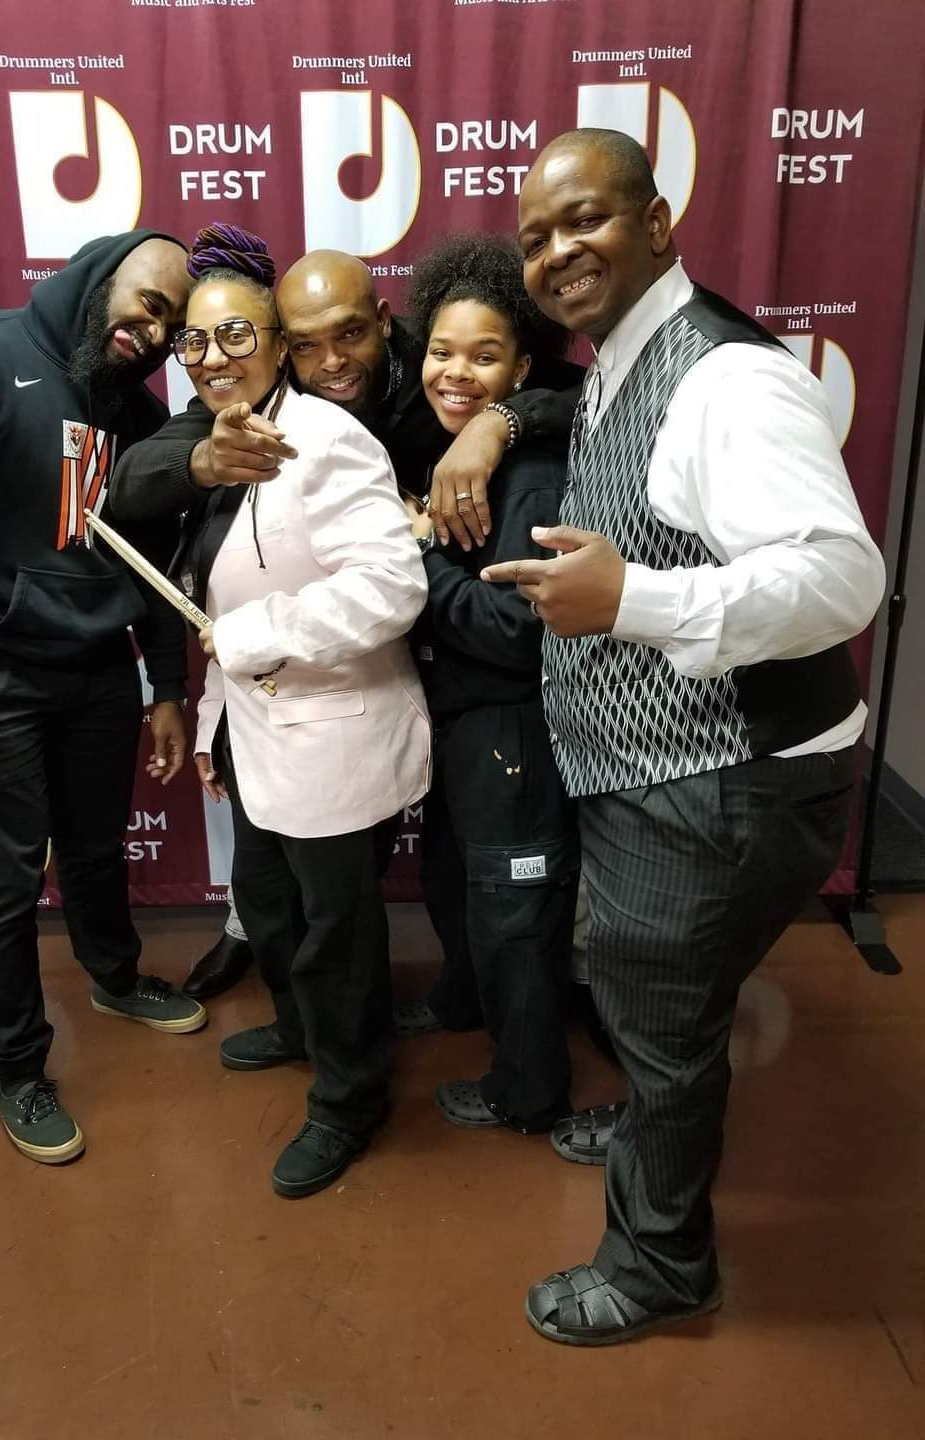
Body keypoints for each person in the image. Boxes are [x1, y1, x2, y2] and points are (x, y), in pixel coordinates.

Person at [482, 128, 885, 1344]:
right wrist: (491, 422)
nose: (558, 252)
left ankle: (662, 1269)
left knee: (660, 1016)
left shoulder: (726, 381)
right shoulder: (623, 356)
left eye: (586, 220)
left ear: (658, 223)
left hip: (719, 782)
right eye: (537, 238)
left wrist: (633, 600)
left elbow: (840, 578)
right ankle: (659, 1113)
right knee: (661, 1001)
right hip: (669, 774)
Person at [108, 246, 582, 1002]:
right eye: (305, 344)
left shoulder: (438, 364)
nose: (331, 362)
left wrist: (497, 423)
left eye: (350, 334)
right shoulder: (267, 399)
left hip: (464, 654)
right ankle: (273, 954)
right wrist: (204, 460)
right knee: (294, 873)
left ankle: (514, 1006)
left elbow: (579, 394)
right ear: (281, 347)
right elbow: (132, 479)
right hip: (330, 675)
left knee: (461, 870)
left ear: (387, 323)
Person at [0, 231, 207, 1167]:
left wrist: (167, 685)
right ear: (101, 274)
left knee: (95, 848)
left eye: (173, 325)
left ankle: (114, 978)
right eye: (149, 303)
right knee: (6, 881)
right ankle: (18, 1066)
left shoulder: (136, 413)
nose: (155, 332)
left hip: (97, 669)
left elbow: (153, 562)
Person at [144, 224, 431, 1197]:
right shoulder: (224, 446)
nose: (213, 356)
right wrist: (213, 717)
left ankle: (350, 1097)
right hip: (258, 733)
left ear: (275, 345)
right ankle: (303, 1031)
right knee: (267, 910)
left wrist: (258, 636)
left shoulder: (328, 438)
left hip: (333, 737)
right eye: (196, 340)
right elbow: (221, 597)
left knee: (334, 936)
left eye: (236, 335)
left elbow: (392, 588)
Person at [400, 233, 584, 1137]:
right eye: (441, 351)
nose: (455, 373)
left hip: (514, 729)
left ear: (520, 370)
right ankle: (462, 997)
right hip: (463, 727)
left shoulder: (532, 474)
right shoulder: (450, 454)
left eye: (483, 356)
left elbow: (517, 634)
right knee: (456, 882)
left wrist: (421, 557)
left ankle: (529, 1090)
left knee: (514, 915)